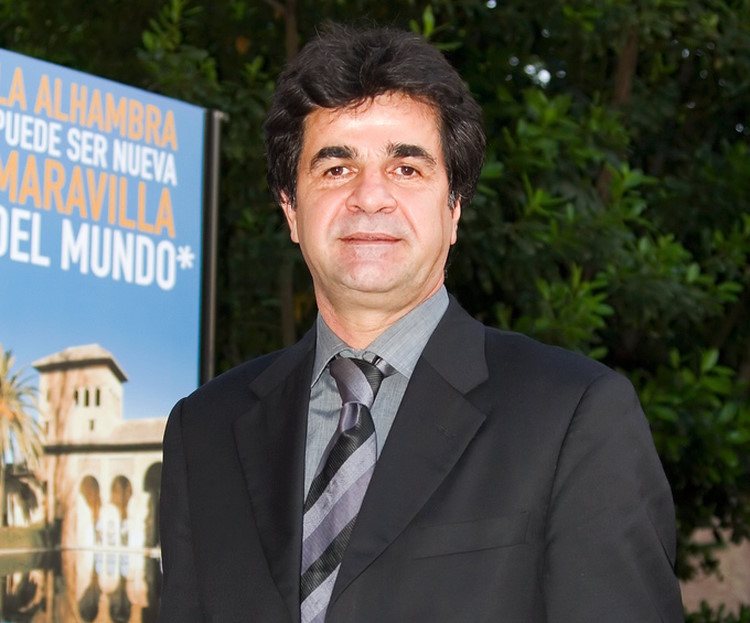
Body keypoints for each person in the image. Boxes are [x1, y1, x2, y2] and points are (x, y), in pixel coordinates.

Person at [159, 24, 684, 623]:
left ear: (454, 209)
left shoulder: (575, 416)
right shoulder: (204, 432)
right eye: (336, 168)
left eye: (406, 168)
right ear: (291, 210)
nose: (370, 197)